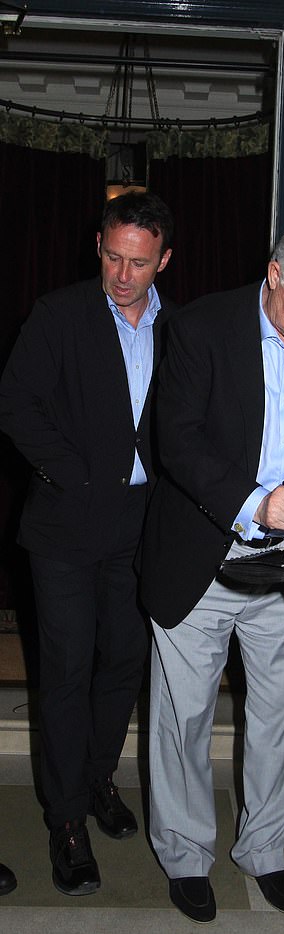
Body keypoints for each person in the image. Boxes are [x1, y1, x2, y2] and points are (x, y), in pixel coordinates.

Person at [139, 212, 284, 922]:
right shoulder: (201, 328)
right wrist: (252, 501)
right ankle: (184, 855)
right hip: (204, 553)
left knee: (275, 716)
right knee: (182, 719)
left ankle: (265, 851)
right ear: (274, 274)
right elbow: (173, 440)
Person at [0, 190, 176, 897]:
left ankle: (98, 777)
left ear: (163, 259)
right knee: (67, 672)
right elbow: (15, 402)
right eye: (111, 256)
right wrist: (73, 473)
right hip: (66, 526)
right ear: (98, 245)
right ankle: (65, 820)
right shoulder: (60, 315)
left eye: (138, 261)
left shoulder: (182, 328)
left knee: (124, 662)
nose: (122, 274)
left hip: (142, 523)